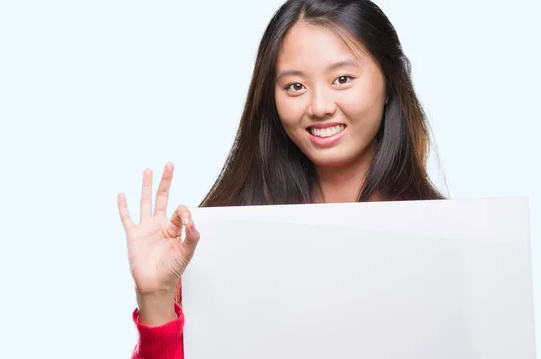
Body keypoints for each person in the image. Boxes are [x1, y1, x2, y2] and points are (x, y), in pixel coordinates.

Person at [117, 0, 445, 357]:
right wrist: (156, 297)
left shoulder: (448, 238)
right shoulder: (218, 241)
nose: (319, 106)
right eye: (294, 87)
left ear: (390, 84)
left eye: (342, 79)